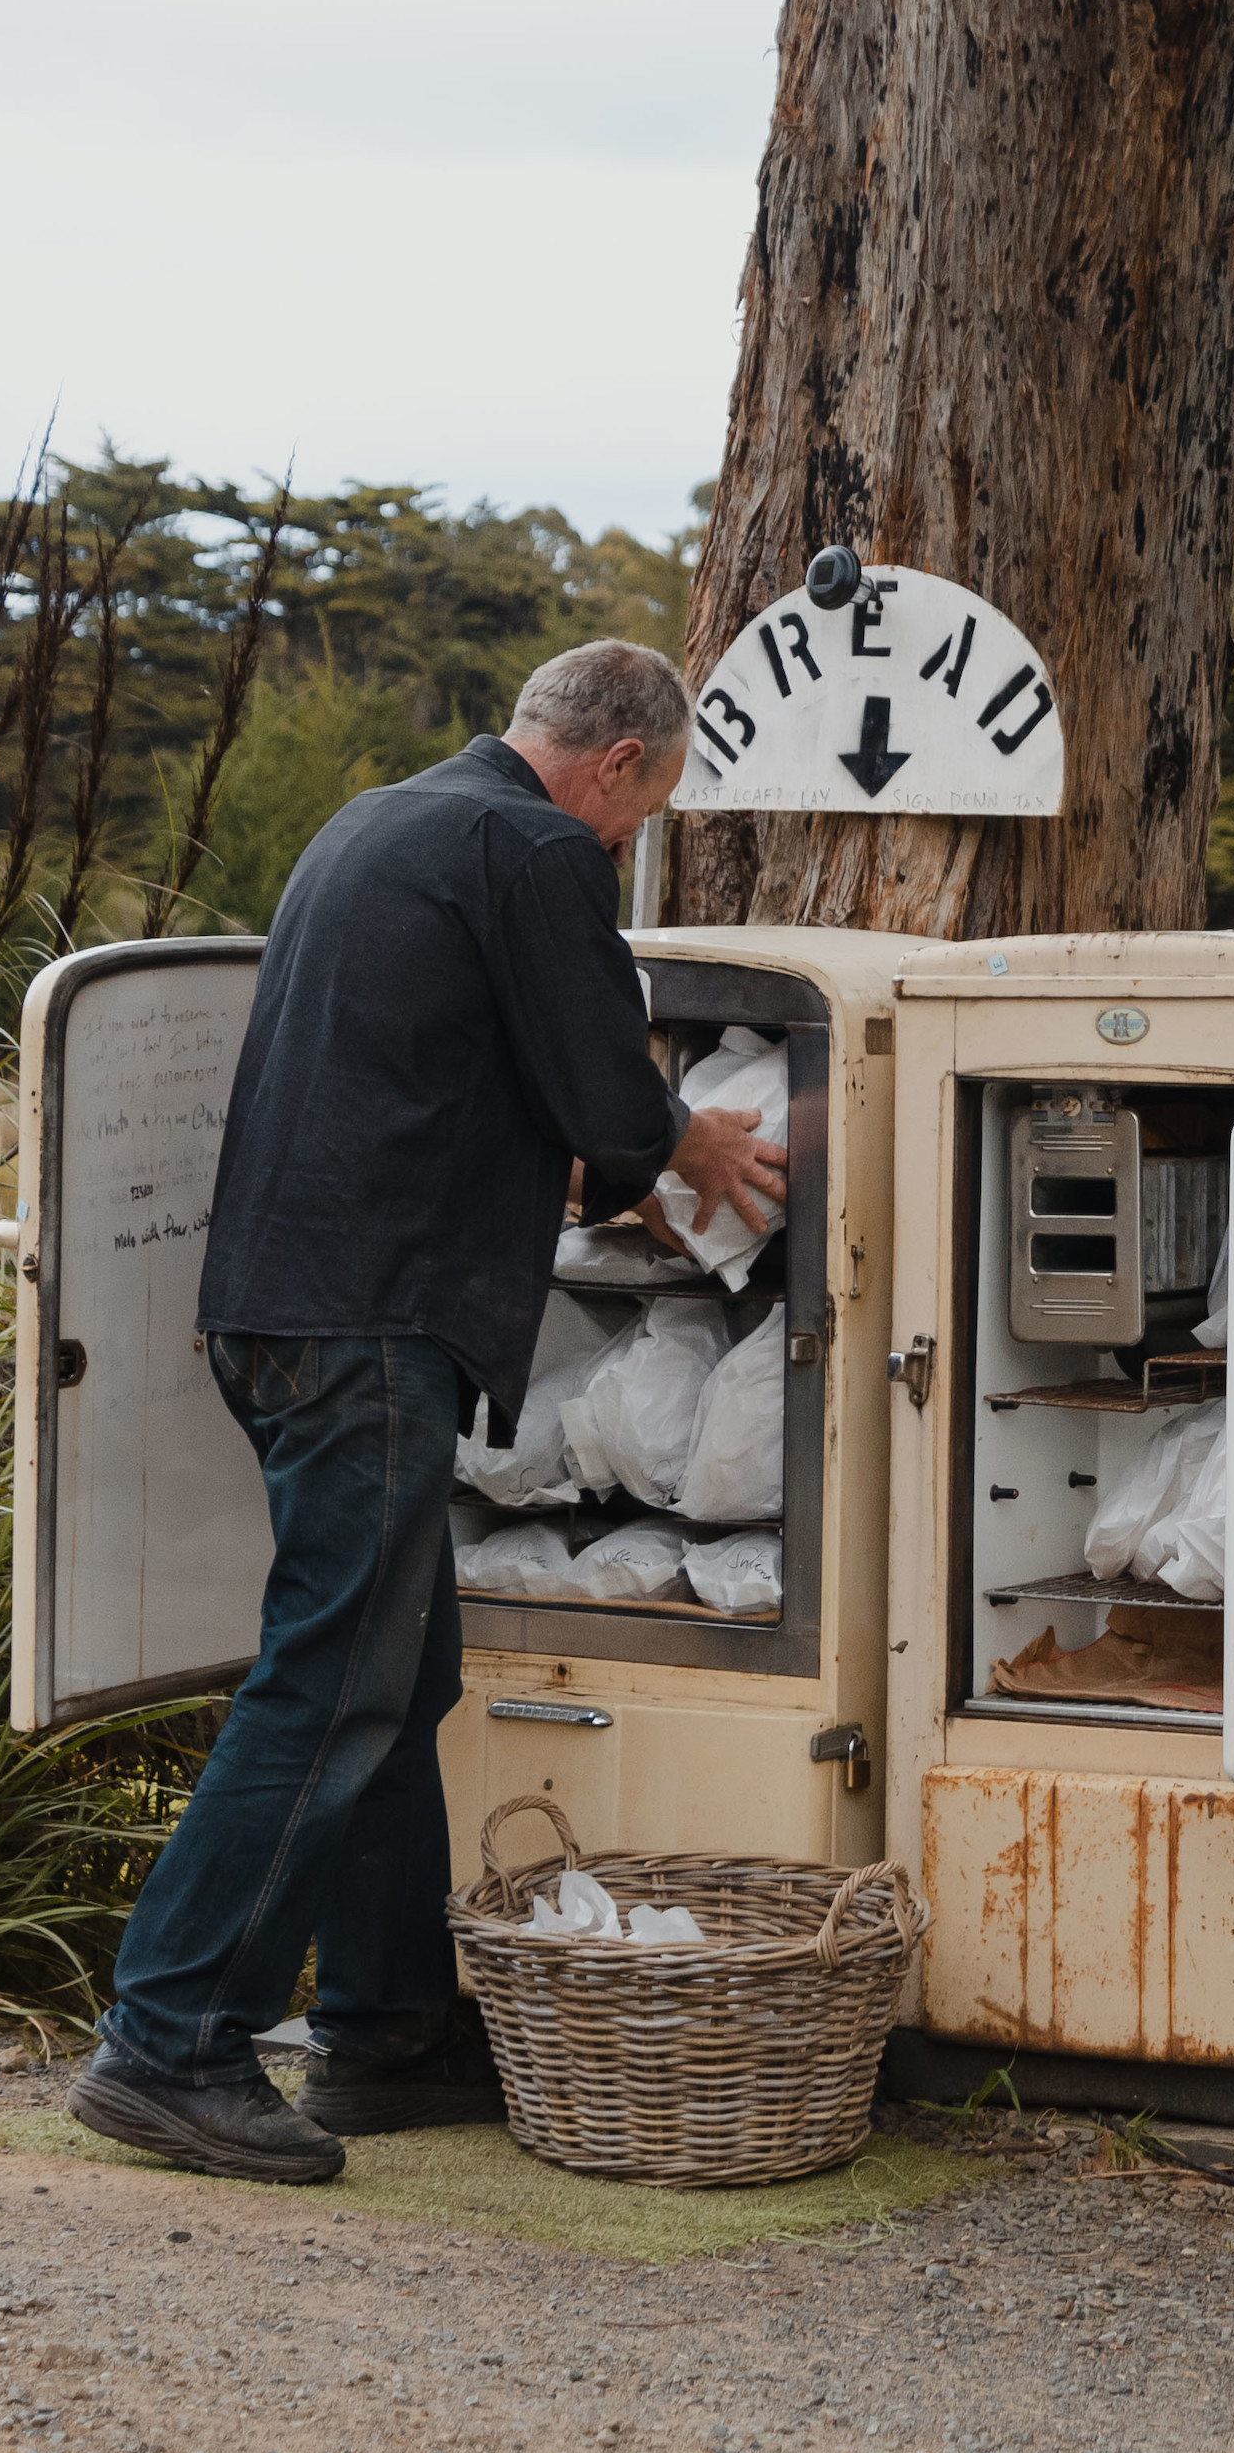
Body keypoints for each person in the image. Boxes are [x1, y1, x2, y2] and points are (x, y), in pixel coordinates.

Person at [66, 639, 784, 2183]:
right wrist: (693, 1147)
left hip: (271, 1309)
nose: (625, 839)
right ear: (620, 767)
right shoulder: (536, 847)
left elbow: (464, 1072)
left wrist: (610, 1158)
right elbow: (605, 1100)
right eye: (638, 811)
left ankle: (387, 2031)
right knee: (333, 1679)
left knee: (403, 1671)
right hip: (373, 1323)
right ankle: (171, 2033)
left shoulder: (380, 820)